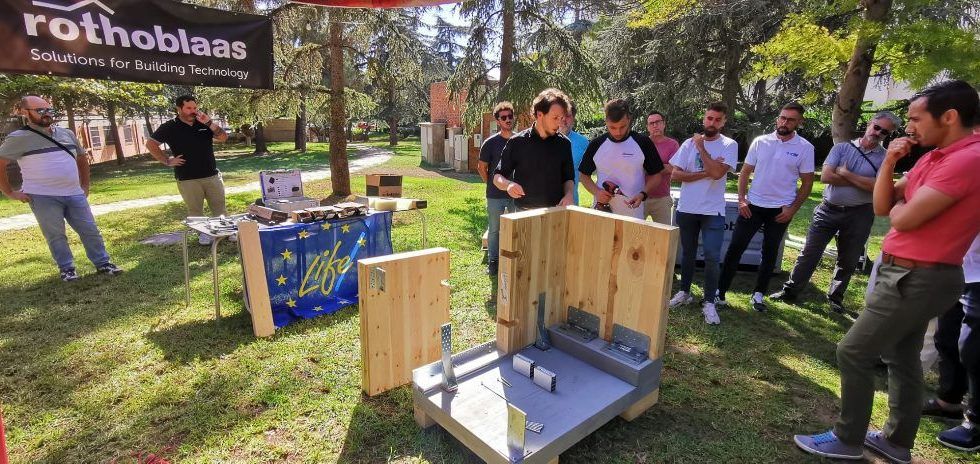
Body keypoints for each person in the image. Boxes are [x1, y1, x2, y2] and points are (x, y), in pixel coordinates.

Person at [793, 79, 980, 463]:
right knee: (902, 356)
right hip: (909, 272)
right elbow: (883, 206)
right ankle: (895, 442)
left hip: (919, 275)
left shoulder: (968, 159)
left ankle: (847, 439)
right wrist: (891, 163)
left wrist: (899, 207)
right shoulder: (934, 155)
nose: (910, 127)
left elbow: (903, 218)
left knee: (854, 351)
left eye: (916, 118)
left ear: (949, 116)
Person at [771, 112, 902, 314]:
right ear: (869, 124)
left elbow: (880, 188)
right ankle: (790, 291)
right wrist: (864, 182)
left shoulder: (886, 158)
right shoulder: (841, 147)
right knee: (809, 253)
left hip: (860, 213)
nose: (878, 133)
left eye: (884, 132)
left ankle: (835, 298)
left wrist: (846, 173)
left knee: (848, 260)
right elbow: (826, 176)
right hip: (828, 210)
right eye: (877, 127)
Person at [0, 96, 122, 281]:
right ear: (25, 113)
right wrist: (9, 192)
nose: (47, 114)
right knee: (56, 235)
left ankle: (103, 263)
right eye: (40, 111)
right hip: (42, 196)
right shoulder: (18, 138)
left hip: (74, 193)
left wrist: (84, 186)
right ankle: (67, 269)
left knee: (90, 230)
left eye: (50, 110)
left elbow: (82, 159)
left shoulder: (67, 134)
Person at [716, 102, 815, 312]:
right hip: (752, 205)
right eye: (782, 118)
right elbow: (745, 172)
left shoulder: (805, 148)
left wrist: (792, 210)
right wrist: (742, 199)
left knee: (770, 252)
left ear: (799, 122)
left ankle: (758, 294)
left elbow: (807, 183)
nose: (784, 122)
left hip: (780, 209)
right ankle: (720, 292)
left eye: (790, 120)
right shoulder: (761, 142)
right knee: (735, 249)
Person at [666, 102, 739, 325]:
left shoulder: (729, 144)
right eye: (709, 118)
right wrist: (706, 171)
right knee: (687, 254)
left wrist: (701, 149)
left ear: (724, 121)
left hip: (712, 211)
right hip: (687, 208)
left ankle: (709, 301)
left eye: (717, 119)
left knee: (711, 256)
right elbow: (675, 175)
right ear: (704, 118)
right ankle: (685, 292)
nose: (712, 123)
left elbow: (718, 174)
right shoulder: (688, 143)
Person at [146, 95, 229, 245]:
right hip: (188, 178)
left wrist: (209, 122)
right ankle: (203, 235)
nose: (193, 111)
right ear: (179, 109)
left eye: (195, 108)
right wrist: (167, 160)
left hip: (211, 175)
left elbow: (223, 137)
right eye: (189, 108)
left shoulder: (203, 123)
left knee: (219, 207)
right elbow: (151, 144)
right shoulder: (170, 126)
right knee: (196, 211)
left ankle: (223, 232)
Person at [925, 234, 980, 452]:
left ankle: (976, 422)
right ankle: (949, 401)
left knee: (973, 349)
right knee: (946, 336)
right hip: (961, 267)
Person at [578, 99, 665, 220]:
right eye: (612, 127)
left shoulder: (643, 142)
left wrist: (643, 194)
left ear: (629, 119)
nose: (618, 132)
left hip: (633, 215)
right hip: (602, 213)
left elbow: (656, 176)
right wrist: (597, 192)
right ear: (606, 121)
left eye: (622, 126)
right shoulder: (596, 144)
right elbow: (583, 175)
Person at [493, 88, 575, 210]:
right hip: (524, 213)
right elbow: (497, 177)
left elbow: (568, 178)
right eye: (555, 118)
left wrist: (569, 195)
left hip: (556, 212)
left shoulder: (564, 143)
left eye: (561, 118)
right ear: (539, 114)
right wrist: (508, 185)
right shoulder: (517, 142)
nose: (560, 123)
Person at [477, 101, 516, 276]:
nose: (508, 120)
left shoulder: (520, 141)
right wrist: (490, 184)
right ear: (498, 121)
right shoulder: (490, 143)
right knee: (494, 229)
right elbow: (481, 167)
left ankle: (515, 258)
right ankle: (493, 261)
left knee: (517, 226)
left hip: (516, 194)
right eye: (504, 117)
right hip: (495, 195)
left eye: (510, 116)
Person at [645, 111, 680, 224]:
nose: (655, 125)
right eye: (651, 123)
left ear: (664, 124)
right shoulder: (642, 143)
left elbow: (672, 169)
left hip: (662, 198)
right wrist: (662, 166)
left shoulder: (673, 144)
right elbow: (636, 166)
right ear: (647, 127)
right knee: (634, 234)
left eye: (658, 122)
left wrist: (648, 166)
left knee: (664, 237)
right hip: (641, 197)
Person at [559, 100, 589, 206]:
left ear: (573, 118)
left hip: (571, 202)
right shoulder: (543, 140)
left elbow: (589, 174)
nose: (563, 120)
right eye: (560, 116)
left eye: (568, 116)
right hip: (545, 204)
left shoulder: (583, 143)